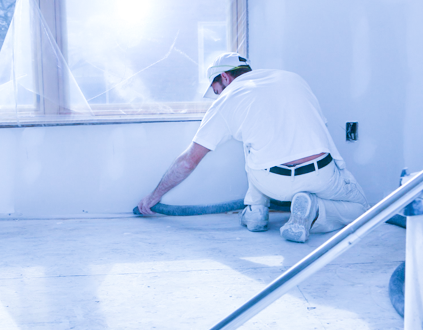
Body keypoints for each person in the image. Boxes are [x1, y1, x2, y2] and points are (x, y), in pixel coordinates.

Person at [137, 52, 368, 243]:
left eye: (216, 89)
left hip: (269, 182)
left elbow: (188, 161)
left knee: (253, 146)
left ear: (225, 78)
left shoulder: (227, 101)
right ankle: (315, 210)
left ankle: (256, 212)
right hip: (320, 175)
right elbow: (319, 127)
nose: (218, 95)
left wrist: (153, 196)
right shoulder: (292, 79)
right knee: (361, 208)